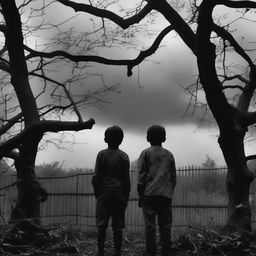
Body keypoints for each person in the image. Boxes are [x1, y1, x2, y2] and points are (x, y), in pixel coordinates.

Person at [137, 125, 177, 256]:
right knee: (165, 226)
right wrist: (169, 192)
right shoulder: (169, 155)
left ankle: (151, 252)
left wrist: (141, 196)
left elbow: (141, 177)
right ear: (164, 138)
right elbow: (173, 178)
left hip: (149, 195)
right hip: (165, 196)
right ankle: (166, 250)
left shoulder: (146, 153)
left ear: (148, 138)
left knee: (150, 226)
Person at [92, 126, 130, 256]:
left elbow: (96, 177)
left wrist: (98, 194)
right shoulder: (124, 156)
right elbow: (126, 180)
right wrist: (126, 197)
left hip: (104, 193)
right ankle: (117, 251)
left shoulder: (101, 155)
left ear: (105, 139)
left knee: (101, 226)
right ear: (121, 140)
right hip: (119, 195)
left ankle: (101, 252)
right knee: (117, 226)